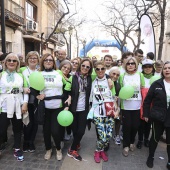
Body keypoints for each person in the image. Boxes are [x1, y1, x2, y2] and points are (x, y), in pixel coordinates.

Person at [38, 53, 68, 161]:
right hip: (45, 107)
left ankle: (58, 149)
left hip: (57, 106)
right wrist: (37, 95)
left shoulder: (59, 72)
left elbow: (68, 84)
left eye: (50, 60)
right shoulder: (39, 74)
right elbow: (32, 88)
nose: (48, 61)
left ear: (53, 62)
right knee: (46, 131)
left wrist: (68, 98)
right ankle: (48, 149)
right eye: (46, 60)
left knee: (55, 130)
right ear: (42, 62)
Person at [0, 53, 28, 161]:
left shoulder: (21, 75)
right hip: (4, 106)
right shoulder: (1, 75)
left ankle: (17, 148)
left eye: (14, 60)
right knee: (2, 130)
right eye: (9, 60)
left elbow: (25, 90)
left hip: (17, 105)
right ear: (5, 62)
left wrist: (25, 103)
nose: (12, 62)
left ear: (17, 63)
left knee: (17, 128)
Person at [143, 61, 170, 169]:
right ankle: (151, 157)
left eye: (169, 68)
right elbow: (147, 101)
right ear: (162, 71)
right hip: (157, 116)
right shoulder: (157, 84)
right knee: (154, 138)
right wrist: (146, 114)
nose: (167, 70)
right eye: (165, 68)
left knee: (169, 141)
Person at [89, 61, 117, 163]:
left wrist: (116, 110)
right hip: (97, 113)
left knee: (108, 135)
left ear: (105, 70)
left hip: (109, 112)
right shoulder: (92, 80)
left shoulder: (110, 82)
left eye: (102, 69)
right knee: (101, 135)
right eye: (98, 69)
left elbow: (114, 97)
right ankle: (97, 151)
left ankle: (101, 151)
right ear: (95, 70)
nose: (100, 71)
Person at [65, 58, 93, 161]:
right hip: (73, 109)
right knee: (75, 130)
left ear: (90, 69)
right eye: (83, 66)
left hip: (84, 109)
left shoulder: (90, 78)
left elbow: (103, 74)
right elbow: (67, 89)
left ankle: (72, 150)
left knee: (81, 131)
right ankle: (76, 143)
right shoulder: (73, 78)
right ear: (80, 66)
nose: (85, 68)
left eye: (88, 67)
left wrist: (108, 78)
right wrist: (68, 96)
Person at [119, 57, 145, 157]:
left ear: (136, 65)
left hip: (137, 105)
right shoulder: (122, 76)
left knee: (135, 126)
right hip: (126, 105)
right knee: (127, 126)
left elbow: (142, 88)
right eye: (128, 63)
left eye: (132, 63)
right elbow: (120, 91)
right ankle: (126, 145)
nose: (130, 65)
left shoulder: (140, 75)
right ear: (125, 65)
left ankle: (131, 142)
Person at [20, 51, 40, 153]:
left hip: (36, 101)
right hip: (25, 100)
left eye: (35, 58)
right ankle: (26, 142)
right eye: (30, 58)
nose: (32, 60)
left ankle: (31, 141)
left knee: (35, 122)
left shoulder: (39, 71)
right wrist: (23, 88)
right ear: (27, 60)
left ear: (37, 60)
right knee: (27, 122)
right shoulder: (22, 70)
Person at [136, 59, 155, 149]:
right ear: (142, 68)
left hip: (152, 104)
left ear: (152, 68)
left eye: (149, 67)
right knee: (140, 124)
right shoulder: (139, 76)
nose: (147, 69)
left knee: (148, 123)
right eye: (145, 67)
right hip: (140, 103)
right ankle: (140, 140)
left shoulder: (156, 77)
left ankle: (146, 139)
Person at [59, 60, 73, 141]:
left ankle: (68, 132)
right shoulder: (56, 75)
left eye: (68, 68)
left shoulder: (71, 77)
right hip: (57, 100)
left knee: (66, 117)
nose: (66, 69)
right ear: (61, 67)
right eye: (64, 67)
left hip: (67, 100)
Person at [109, 67, 121, 145]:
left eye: (117, 75)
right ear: (109, 74)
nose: (115, 76)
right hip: (105, 105)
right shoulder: (106, 81)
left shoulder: (118, 84)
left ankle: (116, 135)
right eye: (113, 74)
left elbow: (118, 96)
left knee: (118, 119)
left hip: (115, 104)